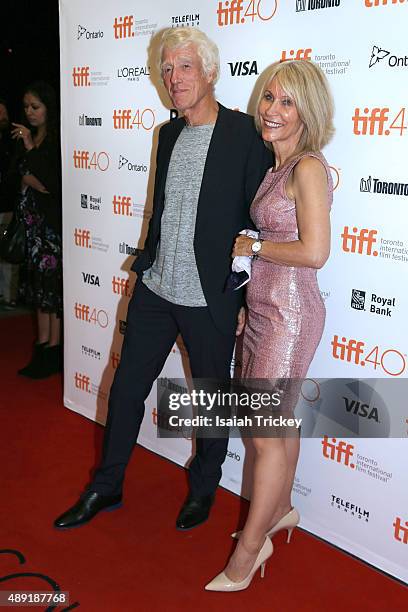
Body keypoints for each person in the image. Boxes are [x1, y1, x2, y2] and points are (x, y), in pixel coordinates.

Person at [54, 27, 272, 531]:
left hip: (210, 296)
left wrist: (242, 297)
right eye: (168, 69)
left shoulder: (243, 136)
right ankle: (106, 486)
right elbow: (166, 210)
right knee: (127, 389)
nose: (174, 78)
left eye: (185, 66)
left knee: (210, 399)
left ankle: (203, 489)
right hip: (157, 289)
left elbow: (255, 221)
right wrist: (148, 263)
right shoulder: (168, 133)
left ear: (211, 72)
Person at [205, 59, 334, 591]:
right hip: (261, 312)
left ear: (307, 112)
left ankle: (249, 551)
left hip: (291, 315)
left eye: (286, 102)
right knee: (275, 430)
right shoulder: (272, 166)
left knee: (263, 435)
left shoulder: (307, 167)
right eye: (269, 98)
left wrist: (255, 245)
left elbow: (316, 252)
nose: (272, 110)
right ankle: (279, 509)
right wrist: (245, 294)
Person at [11, 81, 62, 378]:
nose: (30, 112)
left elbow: (49, 184)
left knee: (50, 291)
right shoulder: (27, 139)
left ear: (48, 108)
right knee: (37, 291)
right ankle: (42, 345)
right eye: (27, 107)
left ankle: (53, 349)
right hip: (31, 229)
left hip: (50, 230)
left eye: (36, 107)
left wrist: (30, 150)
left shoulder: (54, 140)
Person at [0, 97, 19, 309]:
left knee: (9, 251)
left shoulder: (13, 141)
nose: (3, 118)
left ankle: (10, 296)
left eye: (4, 113)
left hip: (8, 206)